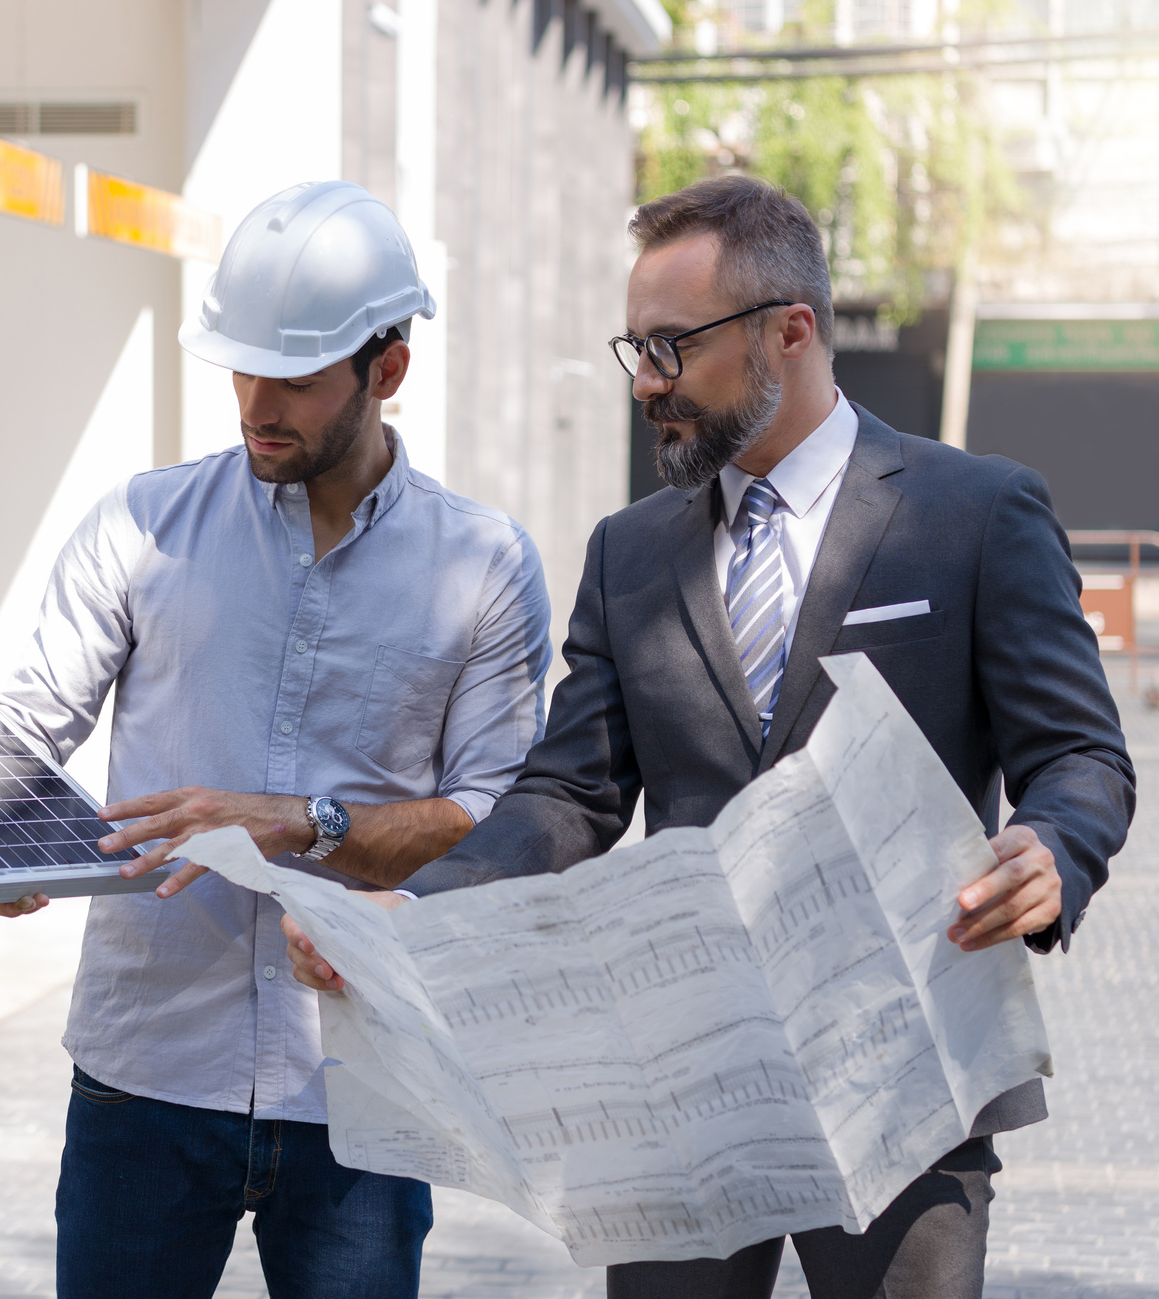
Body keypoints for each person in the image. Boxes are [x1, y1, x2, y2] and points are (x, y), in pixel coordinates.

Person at [283, 175, 1136, 1298]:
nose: (646, 382)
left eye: (671, 347)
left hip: (907, 1075)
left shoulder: (974, 513)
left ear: (793, 329)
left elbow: (1080, 754)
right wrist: (419, 911)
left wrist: (1053, 850)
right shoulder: (629, 552)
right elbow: (566, 798)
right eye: (633, 347)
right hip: (683, 1086)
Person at [0, 180, 554, 1299]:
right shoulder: (140, 528)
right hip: (144, 1071)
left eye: (293, 377)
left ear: (387, 370)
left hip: (362, 1089)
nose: (255, 402)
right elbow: (20, 734)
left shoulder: (483, 568)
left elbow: (495, 825)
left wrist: (302, 824)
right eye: (240, 367)